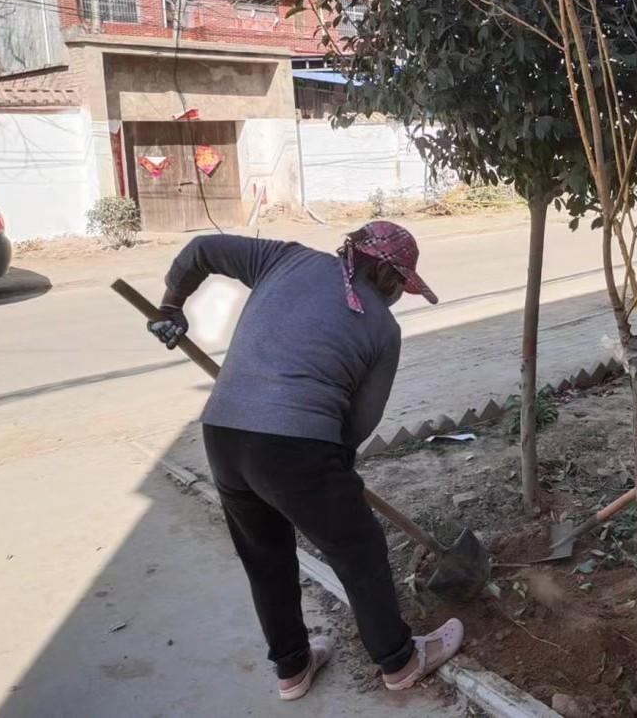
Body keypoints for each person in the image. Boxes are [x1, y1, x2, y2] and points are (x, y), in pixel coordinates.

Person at [147, 221, 463, 700]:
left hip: (223, 433)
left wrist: (171, 305)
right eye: (400, 283)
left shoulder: (284, 259)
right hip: (297, 445)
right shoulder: (382, 327)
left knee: (265, 555)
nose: (398, 294)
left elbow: (202, 249)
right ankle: (399, 660)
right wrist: (329, 476)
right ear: (384, 274)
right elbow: (357, 425)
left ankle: (292, 668)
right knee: (358, 550)